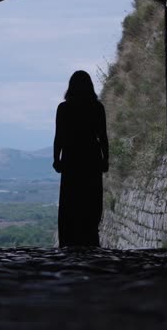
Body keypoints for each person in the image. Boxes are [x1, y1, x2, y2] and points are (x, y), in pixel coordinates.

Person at [52, 70, 109, 247]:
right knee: (91, 200)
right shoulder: (97, 108)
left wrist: (57, 158)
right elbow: (103, 137)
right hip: (91, 158)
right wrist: (106, 159)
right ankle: (90, 239)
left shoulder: (64, 108)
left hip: (71, 159)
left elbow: (59, 136)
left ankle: (69, 240)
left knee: (71, 201)